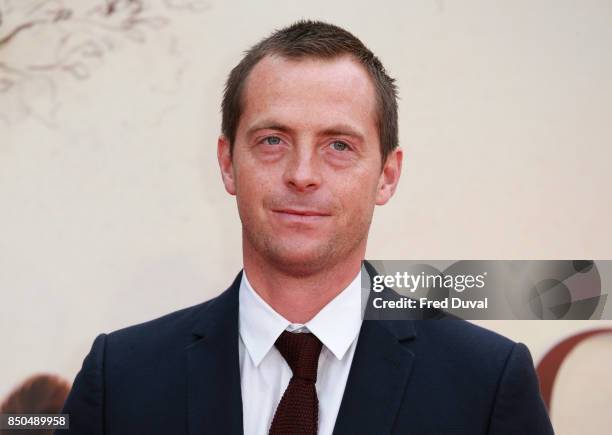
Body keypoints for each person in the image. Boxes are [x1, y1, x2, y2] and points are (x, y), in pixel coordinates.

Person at [57, 20, 554, 435]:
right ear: (228, 164)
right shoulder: (121, 377)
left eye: (339, 145)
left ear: (387, 175)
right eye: (273, 140)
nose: (302, 174)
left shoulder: (486, 382)